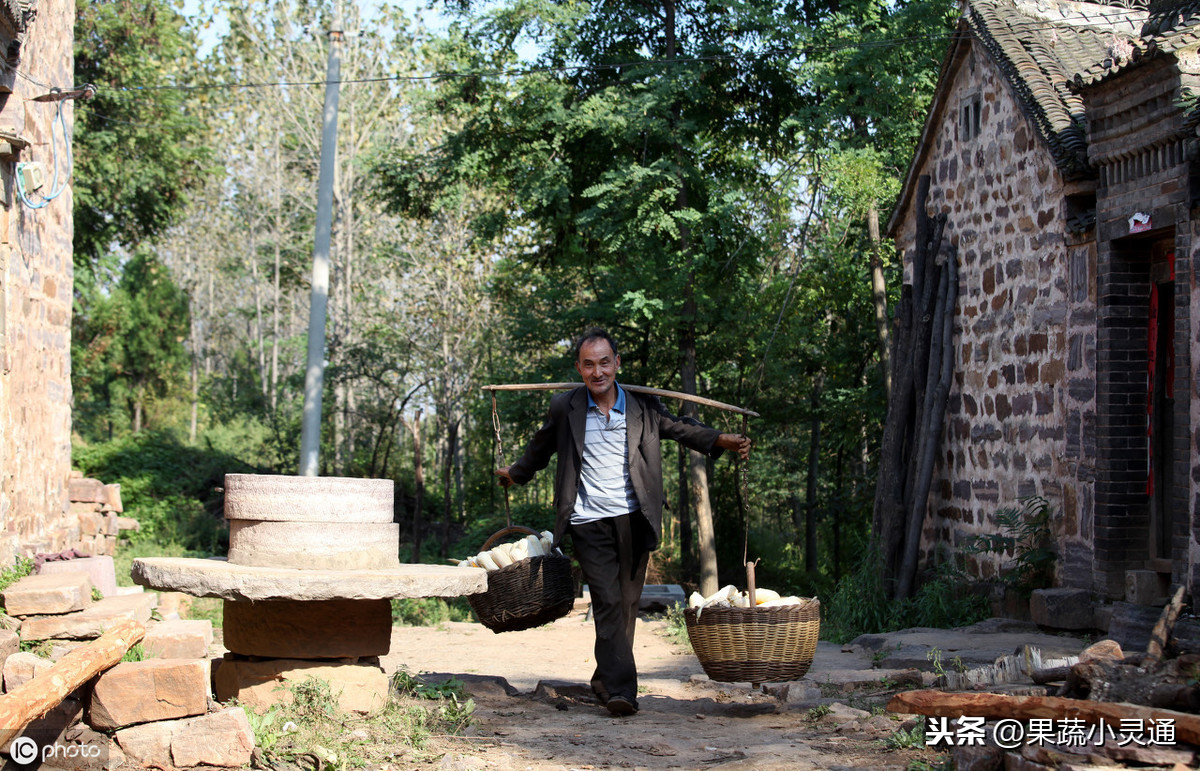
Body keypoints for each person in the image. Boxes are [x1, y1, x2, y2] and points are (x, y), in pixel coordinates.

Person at [495, 327, 751, 717]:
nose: (597, 372)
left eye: (604, 362)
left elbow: (680, 428)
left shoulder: (642, 407)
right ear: (579, 368)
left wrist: (721, 441)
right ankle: (621, 692)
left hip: (635, 518)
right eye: (588, 365)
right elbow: (540, 447)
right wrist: (515, 474)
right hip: (586, 519)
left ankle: (604, 679)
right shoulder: (566, 407)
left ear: (616, 363)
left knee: (628, 604)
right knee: (608, 600)